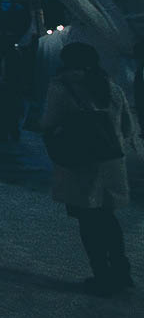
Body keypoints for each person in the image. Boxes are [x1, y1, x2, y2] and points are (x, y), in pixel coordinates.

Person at [41, 42, 137, 296]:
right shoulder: (112, 87)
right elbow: (127, 128)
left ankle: (102, 276)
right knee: (109, 218)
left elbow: (49, 123)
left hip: (80, 164)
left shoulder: (61, 88)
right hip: (111, 163)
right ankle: (121, 271)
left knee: (88, 221)